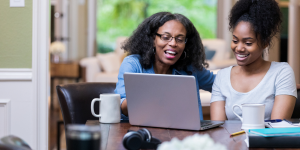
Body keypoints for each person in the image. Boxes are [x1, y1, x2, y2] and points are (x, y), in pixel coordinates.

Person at [114, 12, 215, 120]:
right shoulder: (133, 64)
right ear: (153, 39)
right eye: (166, 37)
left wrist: (235, 70)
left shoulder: (190, 68)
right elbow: (120, 108)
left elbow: (220, 83)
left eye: (180, 39)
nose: (173, 43)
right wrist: (153, 91)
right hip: (144, 133)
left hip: (187, 134)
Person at [210, 0, 297, 120]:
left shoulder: (282, 72)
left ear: (265, 43)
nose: (239, 48)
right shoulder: (222, 77)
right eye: (235, 41)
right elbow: (218, 128)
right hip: (229, 139)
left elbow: (277, 128)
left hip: (266, 139)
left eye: (248, 43)